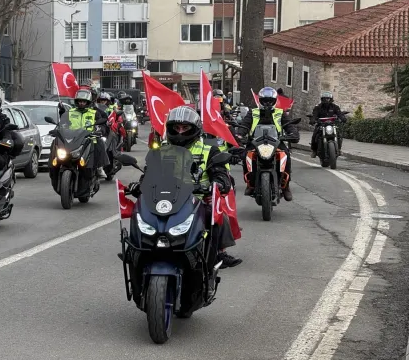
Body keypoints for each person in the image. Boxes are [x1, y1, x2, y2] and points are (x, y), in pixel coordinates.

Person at [126, 106, 242, 268]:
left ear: (195, 129)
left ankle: (216, 254)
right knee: (139, 213)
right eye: (177, 128)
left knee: (217, 216)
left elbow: (221, 174)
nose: (180, 132)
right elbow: (148, 175)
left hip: (197, 201)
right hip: (163, 200)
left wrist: (217, 184)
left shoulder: (210, 151)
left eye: (185, 128)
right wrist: (138, 185)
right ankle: (136, 251)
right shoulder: (160, 151)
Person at [239, 87, 300, 201]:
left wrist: (292, 133)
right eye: (265, 100)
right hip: (255, 141)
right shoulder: (253, 112)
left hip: (276, 141)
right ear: (260, 100)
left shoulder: (280, 113)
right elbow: (245, 125)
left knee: (286, 155)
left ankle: (286, 186)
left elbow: (288, 125)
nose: (267, 103)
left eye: (270, 101)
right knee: (245, 155)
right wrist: (239, 135)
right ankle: (250, 183)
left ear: (274, 101)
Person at [58, 88, 110, 179]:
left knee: (100, 142)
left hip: (89, 138)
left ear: (88, 102)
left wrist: (99, 130)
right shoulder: (70, 112)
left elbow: (102, 125)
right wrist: (61, 113)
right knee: (57, 143)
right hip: (73, 138)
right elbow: (63, 123)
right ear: (76, 101)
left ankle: (99, 167)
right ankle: (55, 164)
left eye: (84, 101)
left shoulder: (95, 113)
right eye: (80, 101)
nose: (81, 103)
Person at [309, 91, 347, 158]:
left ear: (331, 99)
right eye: (325, 99)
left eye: (328, 99)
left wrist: (342, 118)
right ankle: (314, 150)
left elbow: (339, 114)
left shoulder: (335, 107)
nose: (327, 100)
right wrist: (313, 120)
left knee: (339, 135)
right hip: (321, 125)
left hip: (332, 124)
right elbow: (314, 115)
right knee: (315, 134)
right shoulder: (318, 107)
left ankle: (339, 149)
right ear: (322, 99)